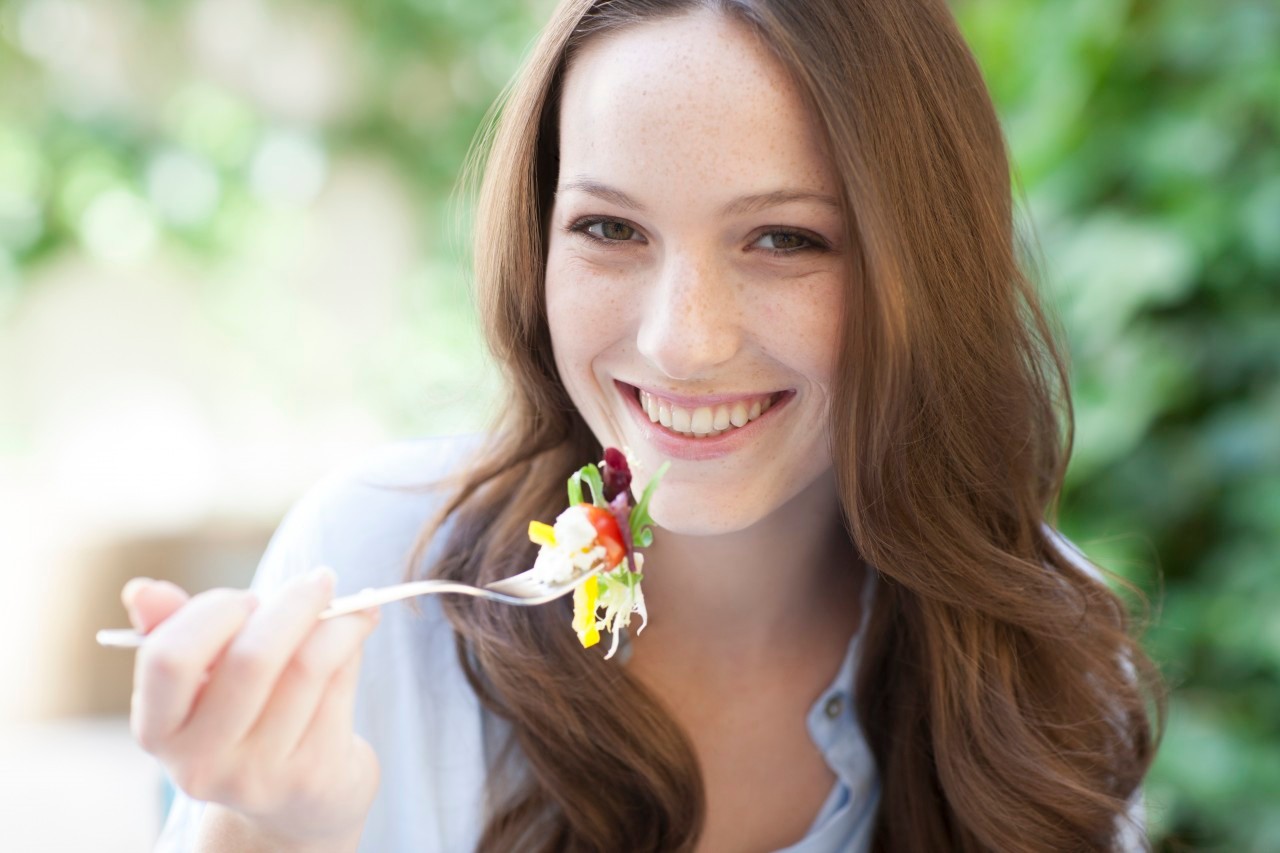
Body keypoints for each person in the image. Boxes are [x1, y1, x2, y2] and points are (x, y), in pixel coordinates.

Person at [120, 0, 1166, 850]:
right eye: (609, 228)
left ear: (921, 269)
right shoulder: (368, 571)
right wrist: (271, 828)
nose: (682, 343)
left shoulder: (1041, 666)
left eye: (784, 238)